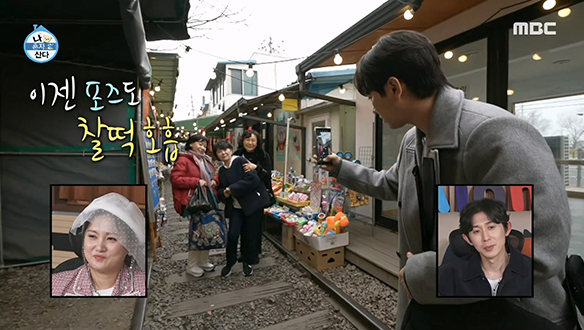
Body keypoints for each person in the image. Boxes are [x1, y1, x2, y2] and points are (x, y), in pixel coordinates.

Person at [316, 30, 580, 329]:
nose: (373, 107)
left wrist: (422, 272)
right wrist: (341, 168)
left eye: (371, 96)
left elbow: (536, 253)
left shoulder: (493, 135)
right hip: (446, 311)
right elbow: (390, 184)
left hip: (513, 317)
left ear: (394, 88)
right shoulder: (413, 142)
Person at [51, 192, 146, 296]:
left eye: (111, 238)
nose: (99, 247)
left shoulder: (144, 286)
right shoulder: (57, 285)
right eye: (92, 236)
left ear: (130, 245)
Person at [438, 199, 532, 297]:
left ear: (507, 229)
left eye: (491, 227)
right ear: (468, 239)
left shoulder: (533, 272)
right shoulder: (447, 276)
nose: (486, 238)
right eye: (476, 231)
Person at [214, 140, 269, 277]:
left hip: (252, 205)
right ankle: (230, 262)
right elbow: (220, 189)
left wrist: (232, 189)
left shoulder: (240, 161)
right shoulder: (222, 170)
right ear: (217, 155)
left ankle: (247, 262)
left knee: (249, 235)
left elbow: (253, 179)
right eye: (219, 151)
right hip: (236, 207)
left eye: (225, 149)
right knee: (232, 234)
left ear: (231, 150)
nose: (223, 153)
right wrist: (224, 193)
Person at [171, 134, 218, 278]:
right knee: (197, 231)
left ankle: (203, 261)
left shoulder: (206, 160)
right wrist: (196, 181)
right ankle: (192, 265)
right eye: (200, 144)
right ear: (191, 144)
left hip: (208, 199)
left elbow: (213, 174)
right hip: (195, 201)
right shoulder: (184, 159)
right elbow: (175, 179)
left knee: (208, 230)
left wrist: (215, 180)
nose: (203, 147)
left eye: (204, 145)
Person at [233, 129, 275, 264]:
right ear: (242, 141)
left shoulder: (263, 155)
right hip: (242, 195)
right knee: (243, 226)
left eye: (253, 140)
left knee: (255, 226)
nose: (250, 143)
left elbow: (268, 174)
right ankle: (244, 253)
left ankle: (254, 253)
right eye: (247, 140)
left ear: (257, 142)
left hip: (258, 195)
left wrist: (255, 167)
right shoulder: (237, 154)